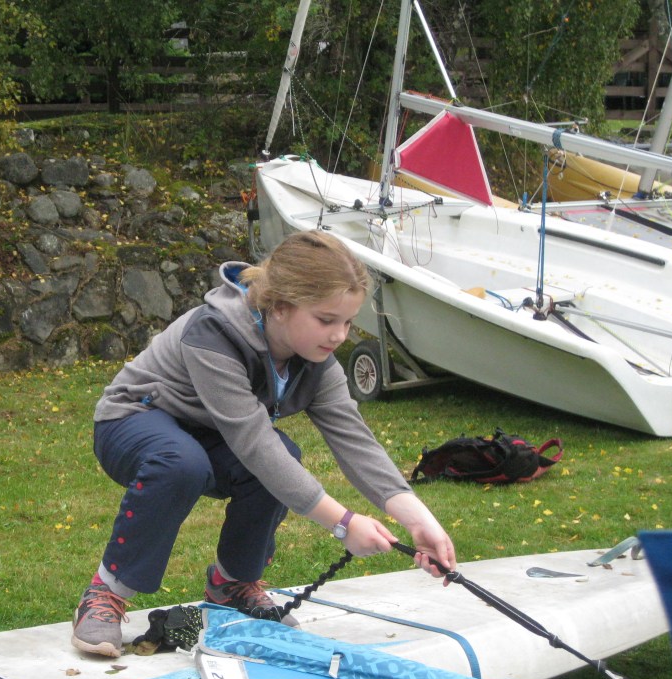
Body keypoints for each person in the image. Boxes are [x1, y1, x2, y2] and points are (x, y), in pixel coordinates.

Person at [72, 229, 457, 657]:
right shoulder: (213, 335)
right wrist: (344, 524)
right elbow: (254, 443)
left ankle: (231, 585)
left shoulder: (317, 362)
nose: (339, 336)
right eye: (326, 320)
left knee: (282, 457)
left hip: (210, 437)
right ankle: (106, 591)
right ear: (279, 306)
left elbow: (356, 443)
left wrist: (419, 521)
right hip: (132, 422)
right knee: (185, 462)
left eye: (347, 322)